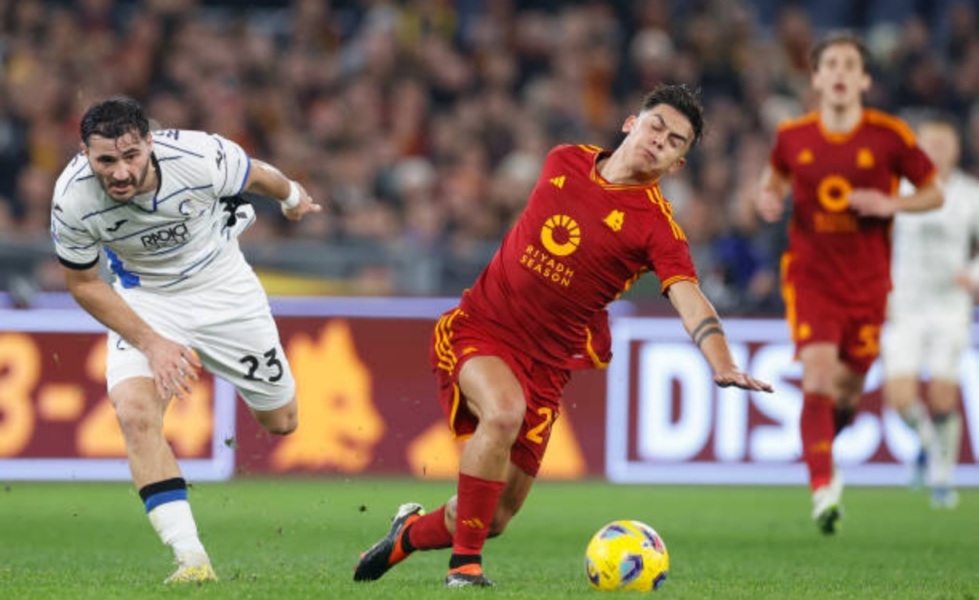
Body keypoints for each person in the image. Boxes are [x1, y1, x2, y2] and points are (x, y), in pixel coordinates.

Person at [353, 83, 773, 588]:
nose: (659, 141)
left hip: (547, 368)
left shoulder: (657, 228)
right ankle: (464, 569)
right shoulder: (564, 160)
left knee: (493, 517)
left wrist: (721, 362)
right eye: (655, 126)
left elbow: (689, 296)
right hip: (482, 328)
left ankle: (406, 535)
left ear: (678, 164)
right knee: (503, 411)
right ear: (631, 123)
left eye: (674, 141)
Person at [49, 97, 321, 583]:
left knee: (281, 421)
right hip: (148, 300)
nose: (120, 172)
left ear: (149, 143)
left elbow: (258, 175)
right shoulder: (72, 198)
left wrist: (293, 196)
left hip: (225, 290)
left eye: (131, 156)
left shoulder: (199, 157)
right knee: (135, 414)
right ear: (85, 153)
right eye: (106, 160)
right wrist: (153, 342)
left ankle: (228, 363)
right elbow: (84, 283)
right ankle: (191, 559)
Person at [755, 32, 943, 534]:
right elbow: (773, 179)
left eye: (849, 65)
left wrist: (891, 203)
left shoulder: (889, 136)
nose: (839, 72)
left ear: (864, 79)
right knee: (817, 378)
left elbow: (934, 193)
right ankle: (823, 487)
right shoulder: (793, 136)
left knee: (846, 393)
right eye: (830, 65)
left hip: (868, 284)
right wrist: (768, 197)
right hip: (811, 277)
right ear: (816, 78)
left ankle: (826, 448)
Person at [881, 115, 979, 509]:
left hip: (949, 306)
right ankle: (927, 445)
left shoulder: (970, 195)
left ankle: (941, 478)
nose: (936, 152)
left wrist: (973, 274)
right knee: (900, 397)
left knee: (941, 397)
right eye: (929, 145)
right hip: (904, 304)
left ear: (956, 149)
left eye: (943, 145)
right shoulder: (897, 189)